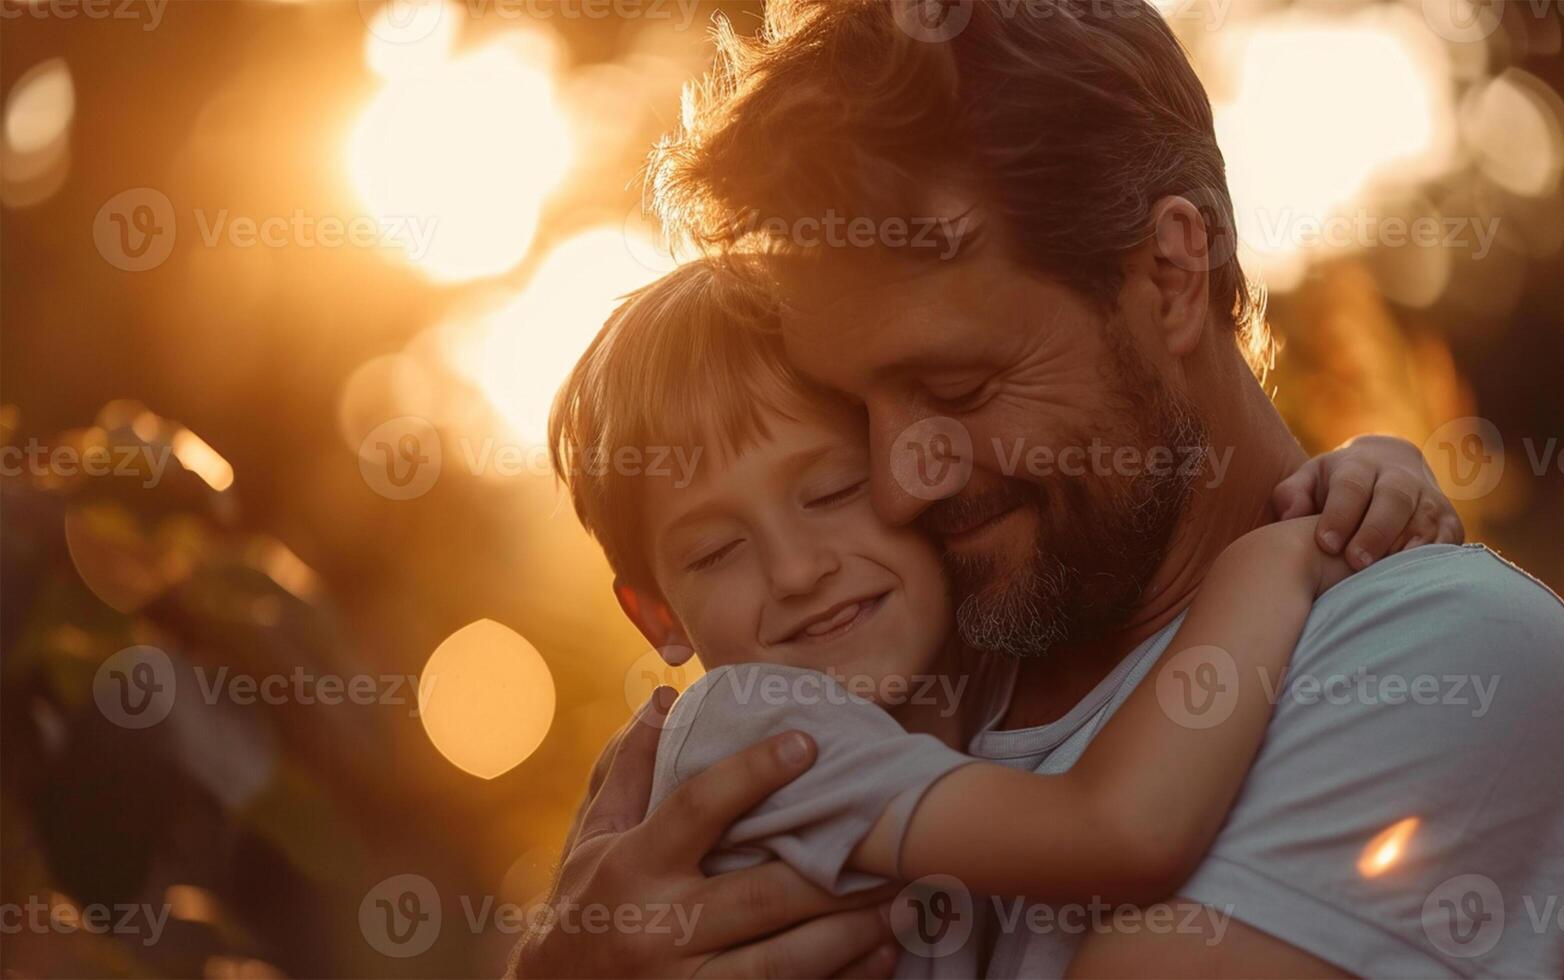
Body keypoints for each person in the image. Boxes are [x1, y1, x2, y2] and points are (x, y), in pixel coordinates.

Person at [515, 2, 1564, 976]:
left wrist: (1317, 518)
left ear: (1171, 275)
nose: (903, 481)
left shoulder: (1440, 659)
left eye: (955, 384)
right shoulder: (931, 665)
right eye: (860, 414)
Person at [529, 259, 1396, 977]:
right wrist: (1277, 557)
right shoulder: (755, 728)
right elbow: (1117, 833)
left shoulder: (984, 663)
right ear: (655, 619)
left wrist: (1366, 470)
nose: (797, 569)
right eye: (716, 551)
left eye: (833, 491)